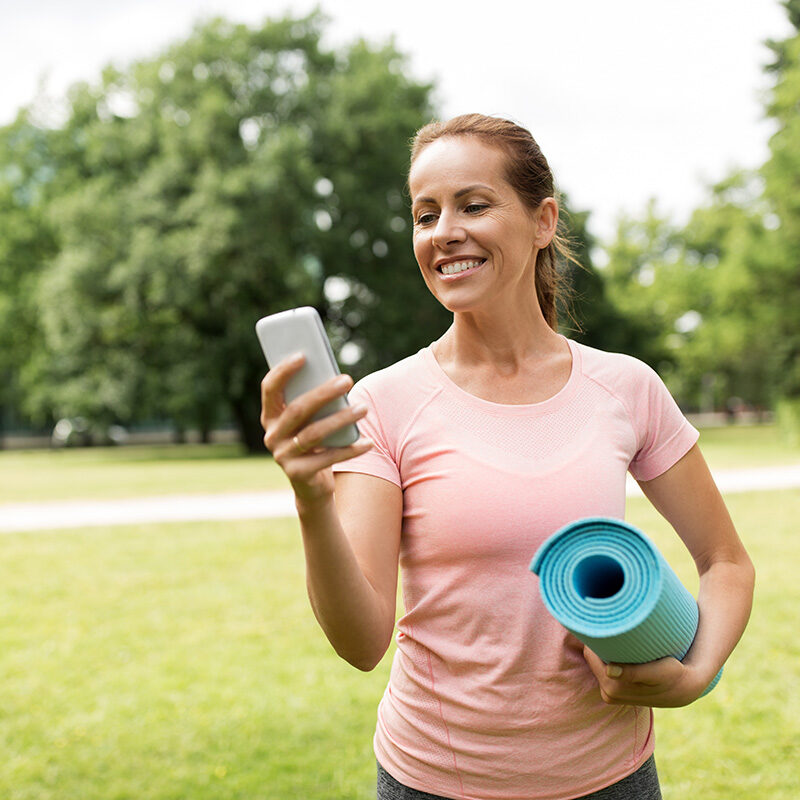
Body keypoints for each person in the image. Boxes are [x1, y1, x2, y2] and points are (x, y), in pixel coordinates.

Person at [259, 114, 755, 800]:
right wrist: (312, 502)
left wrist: (697, 672)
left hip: (610, 780)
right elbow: (361, 641)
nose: (443, 232)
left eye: (474, 204)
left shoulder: (625, 387)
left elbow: (726, 563)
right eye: (424, 214)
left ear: (542, 219)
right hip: (433, 782)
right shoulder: (385, 401)